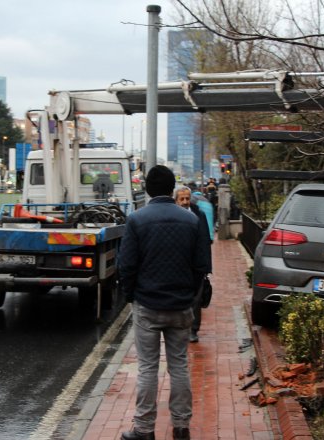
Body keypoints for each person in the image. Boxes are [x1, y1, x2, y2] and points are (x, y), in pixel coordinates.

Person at [118, 166, 208, 440]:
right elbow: (201, 265)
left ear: (147, 189)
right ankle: (181, 427)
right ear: (172, 190)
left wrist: (131, 295)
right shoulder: (192, 220)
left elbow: (127, 265)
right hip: (181, 305)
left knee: (147, 368)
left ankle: (144, 429)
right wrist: (190, 295)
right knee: (179, 365)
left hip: (148, 304)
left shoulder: (136, 220)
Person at [174, 185, 214, 343]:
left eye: (187, 199)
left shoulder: (199, 214)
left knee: (196, 300)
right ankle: (180, 327)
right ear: (176, 201)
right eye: (181, 199)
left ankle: (193, 329)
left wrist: (207, 267)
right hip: (178, 265)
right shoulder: (172, 216)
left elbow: (205, 241)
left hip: (196, 266)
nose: (185, 202)